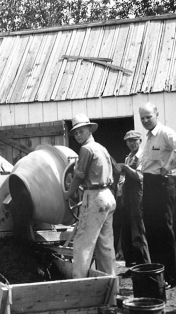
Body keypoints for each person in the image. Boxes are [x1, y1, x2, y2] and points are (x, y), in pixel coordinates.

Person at [139, 102, 176, 287]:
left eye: (149, 117)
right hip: (149, 184)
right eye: (142, 118)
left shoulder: (164, 133)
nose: (145, 121)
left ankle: (170, 276)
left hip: (161, 184)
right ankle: (157, 276)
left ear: (157, 114)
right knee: (151, 230)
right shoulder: (149, 138)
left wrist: (168, 167)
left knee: (164, 231)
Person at [63, 114, 116, 278]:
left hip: (94, 197)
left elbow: (78, 176)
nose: (78, 135)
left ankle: (79, 285)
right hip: (108, 196)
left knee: (82, 243)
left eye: (81, 131)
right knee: (105, 244)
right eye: (76, 133)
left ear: (89, 130)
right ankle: (110, 284)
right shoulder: (102, 148)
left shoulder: (86, 149)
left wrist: (68, 193)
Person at [120, 130, 151, 266]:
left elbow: (139, 177)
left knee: (138, 230)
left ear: (140, 141)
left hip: (138, 195)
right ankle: (132, 264)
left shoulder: (143, 156)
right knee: (126, 230)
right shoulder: (129, 157)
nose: (132, 143)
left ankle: (144, 264)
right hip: (127, 196)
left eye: (134, 140)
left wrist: (125, 168)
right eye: (129, 141)